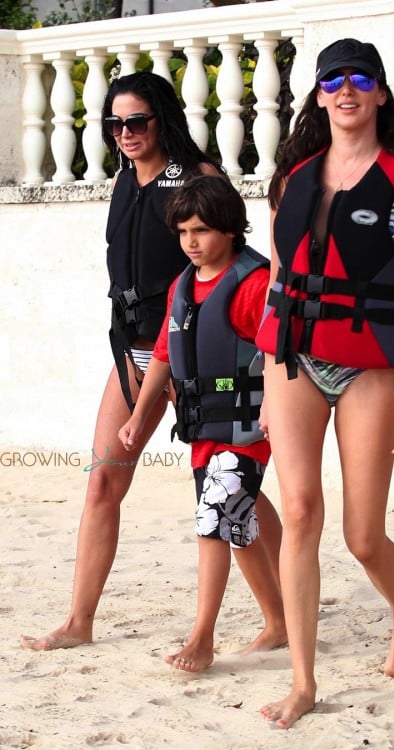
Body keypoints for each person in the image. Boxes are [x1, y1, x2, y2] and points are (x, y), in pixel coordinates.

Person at [256, 38, 394, 728]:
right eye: (333, 79)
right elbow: (279, 280)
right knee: (301, 511)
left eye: (361, 77)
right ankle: (303, 682)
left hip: (369, 366)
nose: (346, 88)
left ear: (382, 94)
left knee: (364, 536)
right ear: (317, 95)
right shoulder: (293, 176)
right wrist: (265, 374)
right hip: (294, 360)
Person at [20, 71, 223, 651]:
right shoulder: (124, 180)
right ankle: (79, 622)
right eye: (116, 123)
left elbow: (224, 266)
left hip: (188, 350)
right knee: (103, 480)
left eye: (137, 121)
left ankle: (282, 612)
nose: (126, 132)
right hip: (133, 350)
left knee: (227, 485)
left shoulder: (197, 177)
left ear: (162, 117)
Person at [118, 175, 286, 671]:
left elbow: (277, 352)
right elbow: (166, 355)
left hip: (247, 428)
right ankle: (277, 624)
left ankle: (201, 637)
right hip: (201, 428)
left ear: (231, 229)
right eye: (184, 232)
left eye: (202, 231)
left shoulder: (254, 283)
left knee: (213, 518)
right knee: (239, 527)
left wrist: (275, 410)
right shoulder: (183, 286)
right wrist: (138, 415)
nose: (191, 242)